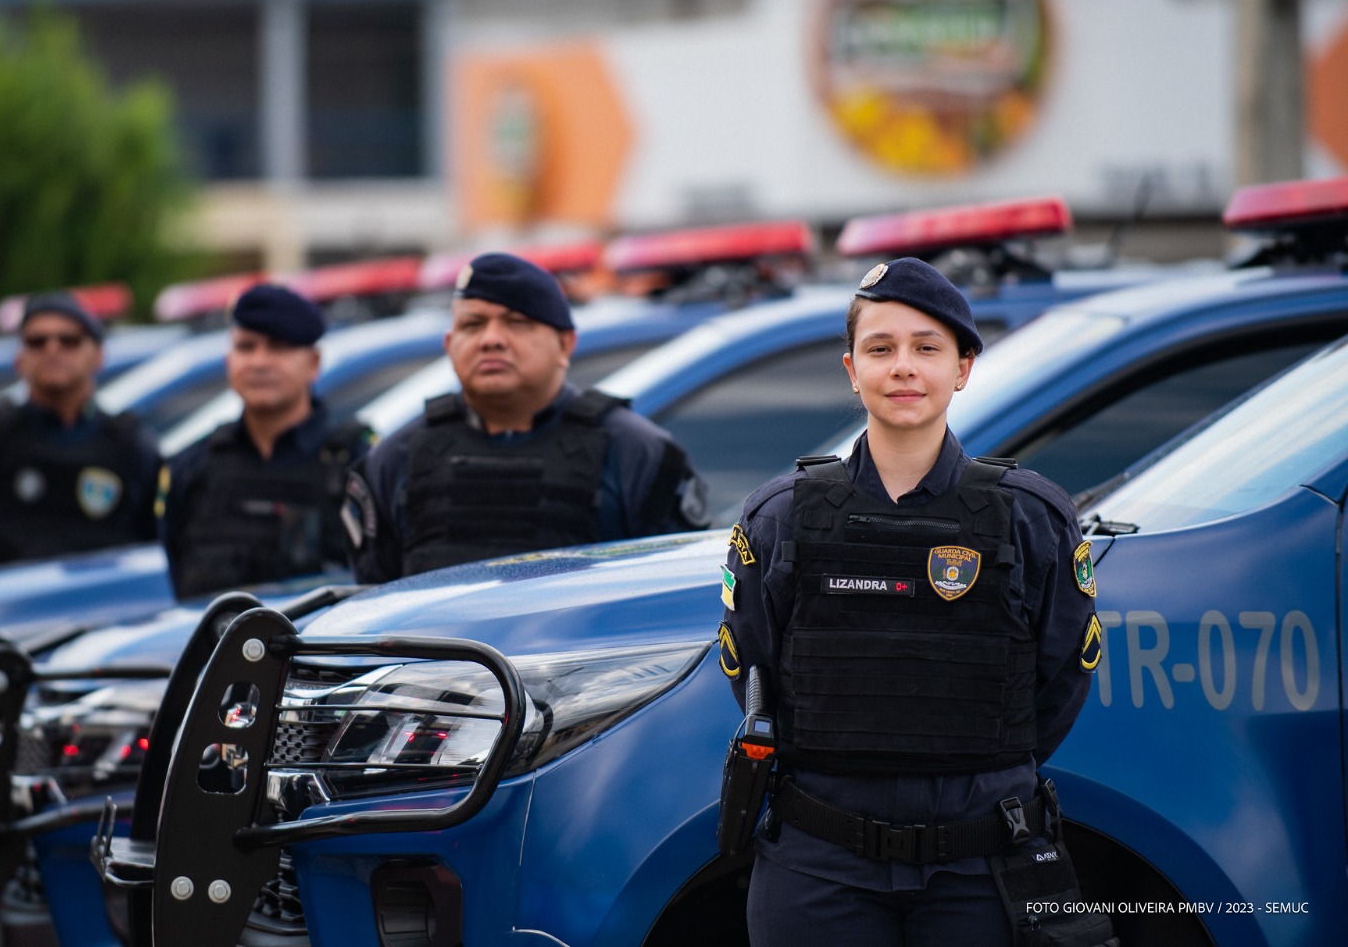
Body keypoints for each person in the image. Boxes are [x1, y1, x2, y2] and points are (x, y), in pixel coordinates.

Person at [718, 257, 1102, 947]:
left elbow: (1062, 677)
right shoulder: (781, 517)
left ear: (962, 367)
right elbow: (751, 668)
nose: (903, 367)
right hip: (820, 868)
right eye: (881, 348)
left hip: (982, 866)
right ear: (850, 368)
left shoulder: (1030, 516)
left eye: (927, 347)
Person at [344, 252, 710, 583]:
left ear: (565, 344)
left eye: (517, 322)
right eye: (473, 325)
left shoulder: (638, 452)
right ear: (449, 344)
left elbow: (672, 594)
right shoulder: (396, 457)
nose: (491, 339)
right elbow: (372, 602)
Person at [0, 291, 160, 577]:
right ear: (19, 360)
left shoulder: (133, 447)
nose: (52, 349)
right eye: (37, 341)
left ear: (98, 356)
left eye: (68, 340)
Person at [159, 284, 371, 600]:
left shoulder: (359, 462)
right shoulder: (191, 467)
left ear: (313, 363)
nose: (259, 362)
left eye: (278, 347)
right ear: (228, 360)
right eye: (246, 347)